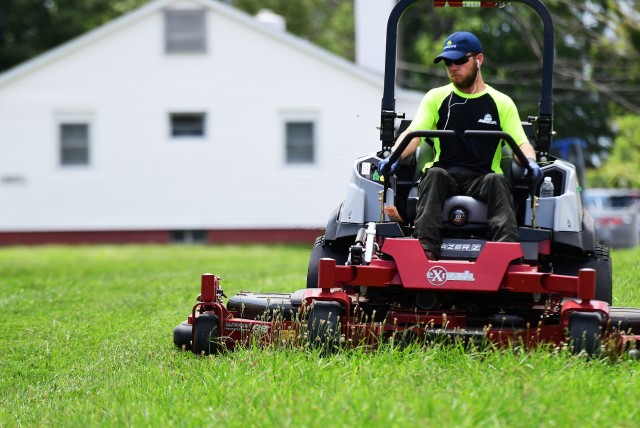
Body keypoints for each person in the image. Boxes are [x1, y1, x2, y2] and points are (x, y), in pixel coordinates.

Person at [378, 31, 542, 260]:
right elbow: (412, 135)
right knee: (434, 174)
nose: (453, 67)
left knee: (497, 180)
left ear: (478, 59)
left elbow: (521, 143)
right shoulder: (437, 97)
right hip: (446, 174)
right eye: (448, 62)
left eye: (460, 61)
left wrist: (531, 163)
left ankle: (507, 254)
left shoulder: (501, 102)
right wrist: (392, 158)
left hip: (482, 177)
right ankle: (425, 253)